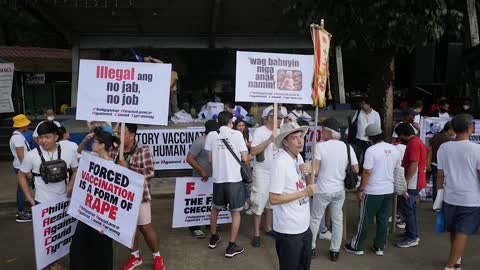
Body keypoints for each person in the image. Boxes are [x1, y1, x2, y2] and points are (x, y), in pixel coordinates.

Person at [18, 122, 79, 270]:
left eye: (47, 137)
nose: (43, 141)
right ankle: (51, 264)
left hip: (65, 200)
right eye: (40, 138)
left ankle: (60, 261)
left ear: (56, 137)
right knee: (47, 238)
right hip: (43, 202)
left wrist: (71, 183)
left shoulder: (68, 150)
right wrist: (29, 198)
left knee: (64, 233)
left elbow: (76, 170)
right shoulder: (31, 155)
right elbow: (21, 176)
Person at [110, 124, 165, 270]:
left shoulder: (143, 149)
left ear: (132, 134)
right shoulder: (114, 149)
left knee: (146, 228)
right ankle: (135, 256)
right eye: (118, 133)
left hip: (139, 196)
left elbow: (150, 173)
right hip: (120, 197)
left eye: (123, 133)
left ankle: (157, 256)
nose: (119, 136)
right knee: (129, 229)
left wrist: (128, 167)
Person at [344, 124, 401, 256]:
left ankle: (358, 246)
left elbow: (367, 172)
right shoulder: (394, 149)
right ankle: (379, 246)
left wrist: (361, 189)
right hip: (388, 189)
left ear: (370, 138)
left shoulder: (371, 150)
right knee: (383, 219)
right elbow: (397, 168)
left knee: (365, 218)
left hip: (373, 190)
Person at [269, 121, 316, 270]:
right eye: (294, 138)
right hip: (289, 230)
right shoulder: (280, 162)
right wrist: (303, 193)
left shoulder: (298, 157)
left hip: (304, 226)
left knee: (304, 266)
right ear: (285, 142)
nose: (300, 140)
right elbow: (274, 198)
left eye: (301, 136)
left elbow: (307, 187)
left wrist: (309, 173)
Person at [310, 118, 359, 261]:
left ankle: (312, 248)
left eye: (323, 130)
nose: (321, 133)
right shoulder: (347, 147)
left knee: (315, 219)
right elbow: (356, 169)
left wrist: (308, 168)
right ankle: (334, 251)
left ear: (327, 132)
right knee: (337, 220)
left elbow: (316, 171)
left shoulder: (320, 147)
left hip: (323, 189)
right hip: (339, 189)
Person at [69, 130, 118, 270]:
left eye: (94, 142)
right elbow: (77, 154)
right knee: (78, 249)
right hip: (86, 213)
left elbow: (113, 197)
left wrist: (106, 223)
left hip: (102, 218)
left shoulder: (113, 167)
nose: (92, 144)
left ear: (102, 145)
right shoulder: (92, 157)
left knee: (101, 253)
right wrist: (84, 140)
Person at [436, 114, 480, 270]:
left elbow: (440, 174)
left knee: (454, 229)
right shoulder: (477, 149)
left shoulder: (444, 147)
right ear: (470, 128)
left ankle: (457, 259)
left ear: (453, 129)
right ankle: (450, 266)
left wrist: (439, 194)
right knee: (462, 231)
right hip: (471, 198)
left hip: (450, 196)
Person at [204, 111, 249, 258]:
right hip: (234, 180)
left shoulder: (211, 135)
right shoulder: (237, 135)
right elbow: (245, 158)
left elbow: (210, 160)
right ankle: (231, 246)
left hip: (218, 179)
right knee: (235, 212)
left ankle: (213, 237)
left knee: (215, 209)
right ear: (230, 122)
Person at [249, 105, 279, 247]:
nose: (279, 119)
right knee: (259, 200)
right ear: (267, 118)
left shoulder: (280, 131)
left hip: (275, 171)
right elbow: (253, 151)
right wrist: (269, 141)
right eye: (275, 117)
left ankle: (268, 227)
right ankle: (256, 234)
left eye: (279, 117)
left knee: (271, 202)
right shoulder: (259, 131)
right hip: (262, 171)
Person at [394, 123, 428, 248]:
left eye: (399, 135)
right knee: (410, 209)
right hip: (417, 180)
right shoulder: (417, 141)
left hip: (413, 182)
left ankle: (412, 237)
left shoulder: (413, 143)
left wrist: (405, 182)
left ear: (403, 134)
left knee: (408, 209)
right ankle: (411, 233)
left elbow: (414, 164)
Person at [186, 120, 220, 239]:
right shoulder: (199, 141)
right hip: (200, 178)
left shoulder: (218, 141)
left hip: (213, 178)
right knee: (197, 202)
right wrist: (201, 170)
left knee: (211, 202)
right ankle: (194, 227)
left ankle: (208, 223)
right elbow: (189, 159)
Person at [9, 114, 33, 222]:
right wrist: (26, 170)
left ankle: (21, 210)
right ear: (23, 125)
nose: (27, 125)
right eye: (26, 123)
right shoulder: (17, 138)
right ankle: (21, 213)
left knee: (22, 189)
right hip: (21, 167)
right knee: (22, 190)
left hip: (20, 166)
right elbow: (20, 155)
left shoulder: (17, 135)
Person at [350, 98, 381, 167]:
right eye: (361, 104)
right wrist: (347, 132)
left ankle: (366, 168)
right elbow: (352, 123)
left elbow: (378, 127)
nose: (361, 105)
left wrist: (376, 139)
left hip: (370, 140)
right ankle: (359, 168)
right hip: (359, 138)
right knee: (358, 155)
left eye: (363, 104)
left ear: (368, 104)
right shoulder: (358, 112)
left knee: (368, 155)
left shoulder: (376, 114)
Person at [428, 122, 454, 202]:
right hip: (444, 166)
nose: (455, 133)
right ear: (449, 130)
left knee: (436, 186)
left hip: (434, 164)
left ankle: (436, 204)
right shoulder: (449, 140)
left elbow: (430, 149)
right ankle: (442, 203)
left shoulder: (436, 136)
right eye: (454, 130)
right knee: (445, 185)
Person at [233, 119, 253, 214]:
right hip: (235, 162)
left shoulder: (247, 133)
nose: (241, 127)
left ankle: (247, 201)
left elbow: (252, 145)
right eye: (239, 125)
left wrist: (245, 144)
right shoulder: (232, 135)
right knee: (238, 182)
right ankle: (240, 202)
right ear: (235, 126)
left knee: (248, 182)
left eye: (243, 125)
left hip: (246, 162)